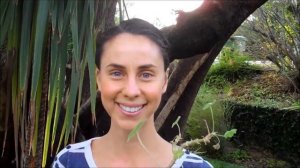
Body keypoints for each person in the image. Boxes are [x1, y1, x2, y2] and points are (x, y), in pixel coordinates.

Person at [52, 18, 213, 168]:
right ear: (99, 80)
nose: (131, 91)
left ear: (164, 81)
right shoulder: (68, 161)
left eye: (146, 74)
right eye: (116, 73)